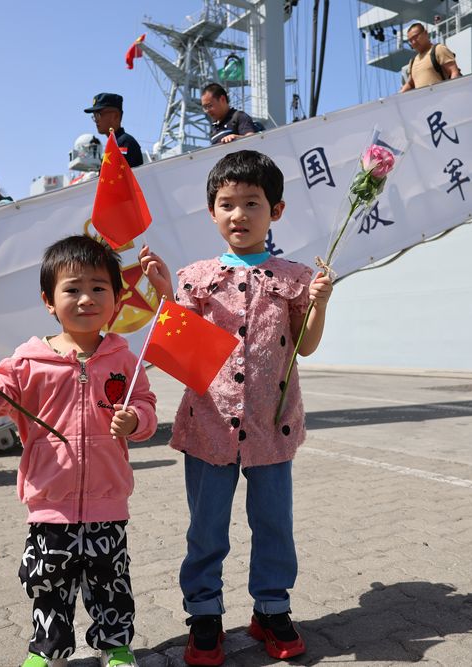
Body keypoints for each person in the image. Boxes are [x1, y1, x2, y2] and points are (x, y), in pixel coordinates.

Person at [138, 150, 334, 665]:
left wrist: (320, 302)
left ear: (278, 211)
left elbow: (305, 346)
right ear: (211, 212)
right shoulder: (195, 275)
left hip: (272, 428)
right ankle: (204, 614)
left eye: (252, 204)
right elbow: (185, 353)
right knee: (206, 528)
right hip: (207, 427)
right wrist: (166, 297)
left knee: (274, 524)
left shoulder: (293, 276)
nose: (239, 215)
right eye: (226, 204)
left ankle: (271, 608)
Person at [0, 234, 157, 667]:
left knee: (110, 581)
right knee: (47, 582)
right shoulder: (29, 360)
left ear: (117, 300)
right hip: (48, 503)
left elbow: (146, 406)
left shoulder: (124, 359)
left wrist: (135, 420)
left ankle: (114, 645)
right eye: (71, 288)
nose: (86, 298)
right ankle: (48, 649)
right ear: (48, 301)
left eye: (99, 288)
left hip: (107, 501)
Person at [84, 93, 143, 169]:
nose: (96, 120)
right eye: (94, 116)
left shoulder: (124, 143)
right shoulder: (115, 144)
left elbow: (116, 177)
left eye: (98, 114)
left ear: (116, 116)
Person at [399, 22, 461, 92]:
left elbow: (454, 72)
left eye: (416, 37)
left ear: (425, 33)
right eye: (410, 40)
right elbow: (410, 84)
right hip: (423, 102)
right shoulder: (412, 62)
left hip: (442, 99)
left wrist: (453, 93)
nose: (413, 42)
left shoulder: (438, 49)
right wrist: (396, 98)